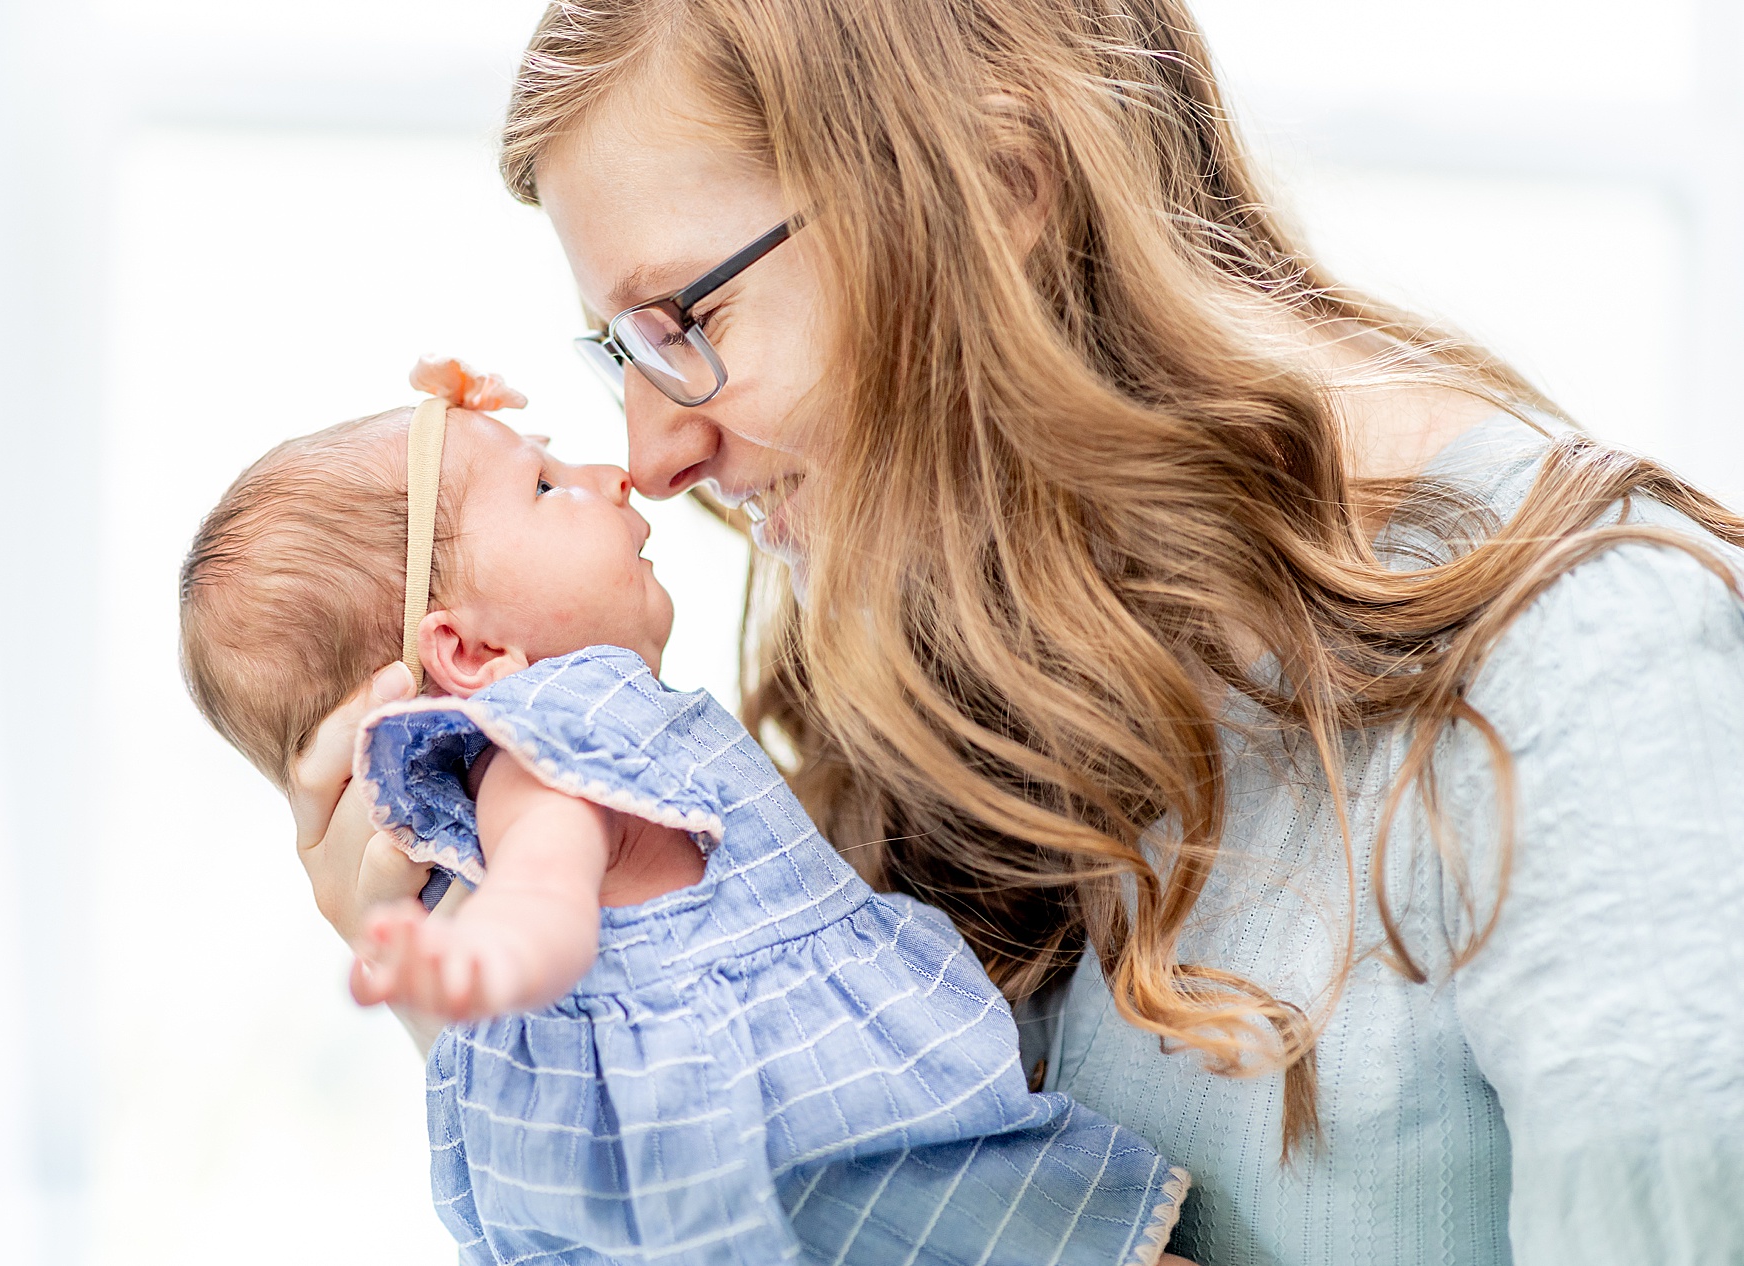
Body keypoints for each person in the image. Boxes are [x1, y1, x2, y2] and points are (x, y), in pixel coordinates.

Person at [286, 2, 1744, 1262]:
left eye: (682, 323)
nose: (652, 453)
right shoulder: (952, 693)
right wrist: (560, 1055)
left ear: (1002, 183)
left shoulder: (1591, 665)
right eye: (623, 353)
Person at [178, 373, 1190, 1264]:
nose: (609, 474)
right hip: (804, 1134)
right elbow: (545, 869)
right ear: (471, 654)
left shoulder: (571, 740)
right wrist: (502, 949)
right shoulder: (549, 734)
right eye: (541, 488)